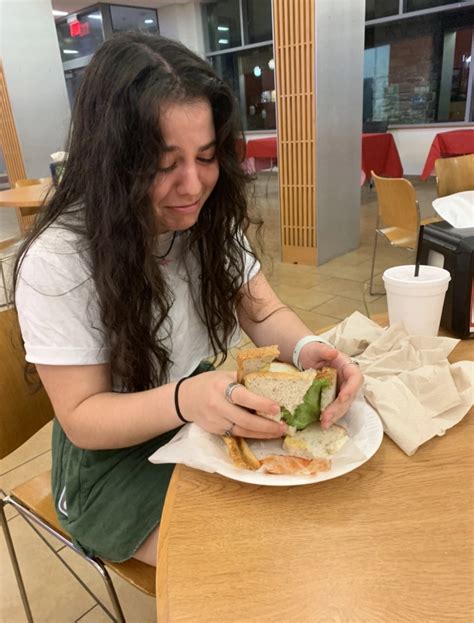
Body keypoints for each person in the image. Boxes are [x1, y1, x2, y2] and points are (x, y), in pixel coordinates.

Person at [13, 32, 363, 567]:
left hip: (190, 410)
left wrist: (307, 350)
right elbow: (83, 416)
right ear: (113, 161)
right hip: (106, 467)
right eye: (163, 162)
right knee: (247, 559)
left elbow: (263, 310)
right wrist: (184, 399)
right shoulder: (59, 260)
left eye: (206, 157)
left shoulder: (207, 219)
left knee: (307, 514)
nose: (193, 185)